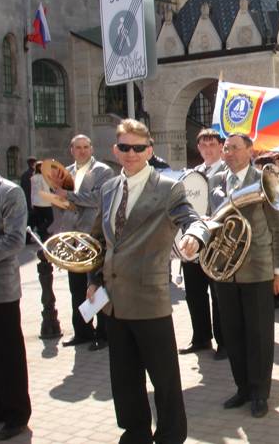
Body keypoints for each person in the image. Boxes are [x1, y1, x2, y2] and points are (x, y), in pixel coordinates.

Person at [86, 119, 210, 443]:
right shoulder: (109, 188)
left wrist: (195, 238)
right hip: (113, 299)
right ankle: (135, 431)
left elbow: (193, 220)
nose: (131, 153)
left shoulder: (168, 187)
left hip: (150, 299)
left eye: (138, 148)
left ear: (149, 150)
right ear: (115, 150)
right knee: (124, 376)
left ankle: (170, 435)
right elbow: (99, 240)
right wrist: (93, 279)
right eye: (125, 147)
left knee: (164, 378)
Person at [210, 133, 279, 418]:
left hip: (258, 270)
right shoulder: (216, 180)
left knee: (259, 335)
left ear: (249, 151)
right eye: (226, 148)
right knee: (232, 334)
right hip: (225, 271)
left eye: (234, 148)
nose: (229, 153)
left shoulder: (265, 179)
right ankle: (242, 388)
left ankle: (259, 393)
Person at [50, 135, 115, 351]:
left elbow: (97, 198)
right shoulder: (66, 172)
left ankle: (103, 334)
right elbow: (62, 205)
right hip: (72, 240)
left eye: (86, 147)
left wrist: (68, 195)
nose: (82, 151)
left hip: (94, 238)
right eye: (78, 147)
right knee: (76, 288)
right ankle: (82, 332)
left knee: (97, 287)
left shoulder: (103, 171)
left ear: (92, 148)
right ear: (71, 150)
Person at [178, 129, 226, 360]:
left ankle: (224, 342)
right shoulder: (192, 175)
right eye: (203, 145)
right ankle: (201, 338)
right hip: (192, 242)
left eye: (212, 144)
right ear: (198, 148)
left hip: (217, 243)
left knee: (218, 295)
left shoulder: (227, 173)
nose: (208, 149)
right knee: (194, 293)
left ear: (221, 147)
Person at [0, 149, 32, 441]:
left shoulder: (9, 192)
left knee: (8, 354)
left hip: (1, 289)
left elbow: (15, 240)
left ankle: (17, 415)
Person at [31, 161, 54, 240]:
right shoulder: (44, 178)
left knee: (41, 220)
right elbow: (46, 190)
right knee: (50, 219)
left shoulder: (33, 178)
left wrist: (32, 202)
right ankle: (40, 231)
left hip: (36, 202)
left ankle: (43, 236)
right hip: (45, 203)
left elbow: (32, 191)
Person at [20, 156, 36, 242]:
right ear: (33, 164)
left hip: (26, 198)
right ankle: (27, 238)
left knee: (30, 219)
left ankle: (28, 238)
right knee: (32, 219)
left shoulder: (24, 175)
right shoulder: (33, 175)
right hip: (33, 200)